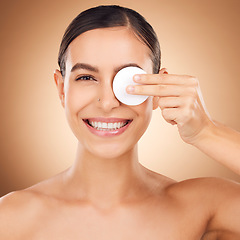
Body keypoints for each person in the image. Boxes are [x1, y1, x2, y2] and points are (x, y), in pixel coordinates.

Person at [1, 5, 240, 239]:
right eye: (86, 77)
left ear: (158, 89)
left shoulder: (205, 208)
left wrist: (206, 133)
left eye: (127, 79)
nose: (107, 102)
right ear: (61, 89)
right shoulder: (11, 217)